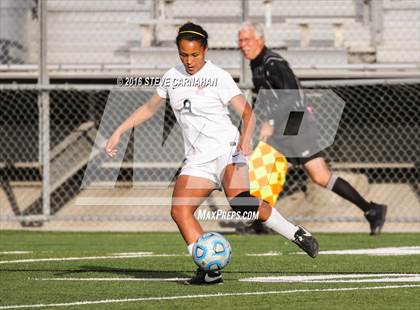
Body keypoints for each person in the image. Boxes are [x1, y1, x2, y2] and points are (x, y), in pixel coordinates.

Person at [106, 22, 319, 285]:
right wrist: (119, 130)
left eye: (195, 54)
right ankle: (209, 269)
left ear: (205, 50)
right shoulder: (171, 77)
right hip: (198, 159)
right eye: (184, 54)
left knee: (240, 203)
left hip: (226, 149)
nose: (189, 60)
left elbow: (247, 113)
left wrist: (245, 140)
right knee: (180, 212)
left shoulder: (218, 76)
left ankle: (296, 233)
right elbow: (150, 108)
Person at [238, 22, 387, 235]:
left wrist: (270, 122)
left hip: (295, 122)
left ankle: (371, 209)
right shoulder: (258, 63)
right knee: (264, 166)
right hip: (285, 123)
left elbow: (293, 97)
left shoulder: (273, 62)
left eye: (247, 40)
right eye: (240, 41)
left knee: (318, 176)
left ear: (260, 40)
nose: (243, 45)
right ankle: (257, 223)